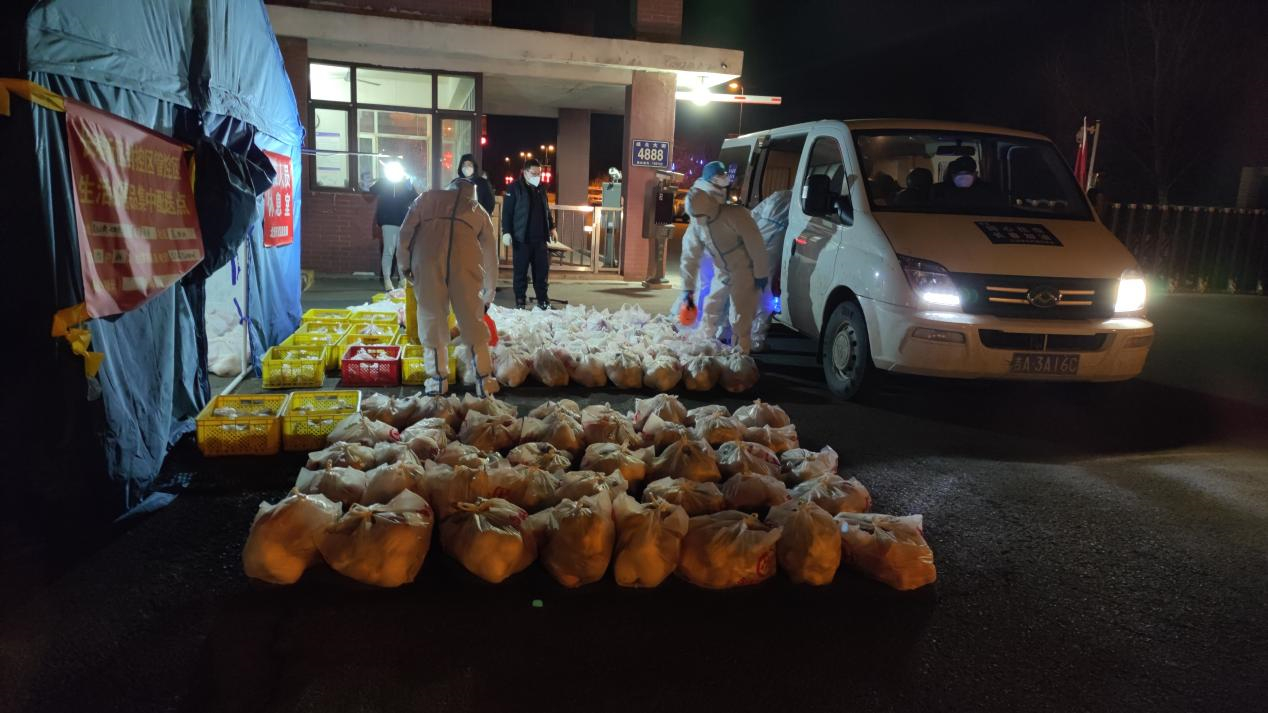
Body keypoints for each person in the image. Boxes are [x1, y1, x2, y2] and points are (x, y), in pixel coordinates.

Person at [397, 180, 499, 397]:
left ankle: (438, 381)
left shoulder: (425, 199)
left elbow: (405, 233)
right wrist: (489, 291)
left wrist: (404, 265)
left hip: (426, 261)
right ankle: (484, 381)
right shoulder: (477, 210)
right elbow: (491, 253)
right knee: (472, 320)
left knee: (431, 317)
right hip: (465, 263)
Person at [679, 160, 769, 355]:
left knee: (740, 312)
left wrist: (761, 272)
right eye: (696, 217)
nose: (700, 220)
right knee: (711, 304)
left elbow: (756, 244)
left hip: (743, 269)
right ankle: (705, 340)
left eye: (702, 216)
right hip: (722, 269)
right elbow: (689, 257)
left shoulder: (735, 215)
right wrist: (688, 289)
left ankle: (740, 351)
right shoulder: (698, 225)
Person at [501, 158, 558, 309]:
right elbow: (507, 213)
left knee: (541, 272)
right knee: (520, 272)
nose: (537, 176)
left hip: (540, 239)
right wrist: (506, 232)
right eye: (534, 173)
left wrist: (552, 227)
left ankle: (543, 300)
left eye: (539, 174)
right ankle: (520, 300)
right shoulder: (514, 188)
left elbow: (546, 210)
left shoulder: (541, 189)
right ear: (525, 172)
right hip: (522, 238)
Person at [748, 189, 793, 351]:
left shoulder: (778, 195)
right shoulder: (798, 203)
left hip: (754, 240)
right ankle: (756, 340)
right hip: (772, 248)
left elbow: (753, 215)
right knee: (764, 294)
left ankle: (732, 334)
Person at [368, 171, 417, 290]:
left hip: (403, 221)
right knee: (389, 250)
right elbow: (372, 190)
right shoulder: (385, 182)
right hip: (388, 220)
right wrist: (384, 180)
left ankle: (403, 279)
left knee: (401, 251)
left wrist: (409, 184)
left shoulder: (405, 183)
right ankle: (387, 279)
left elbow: (415, 197)